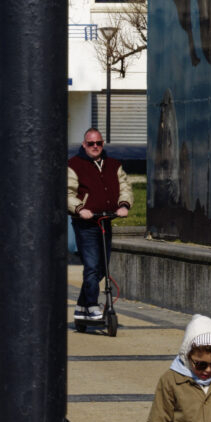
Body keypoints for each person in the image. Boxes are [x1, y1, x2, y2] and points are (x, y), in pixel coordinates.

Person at [68, 129, 134, 325]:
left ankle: (81, 308)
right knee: (91, 267)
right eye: (91, 143)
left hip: (105, 221)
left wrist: (123, 205)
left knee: (101, 270)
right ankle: (91, 305)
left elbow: (125, 187)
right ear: (84, 144)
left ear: (102, 144)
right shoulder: (74, 165)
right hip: (85, 224)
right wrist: (79, 208)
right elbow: (67, 192)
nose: (95, 147)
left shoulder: (114, 165)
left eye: (98, 143)